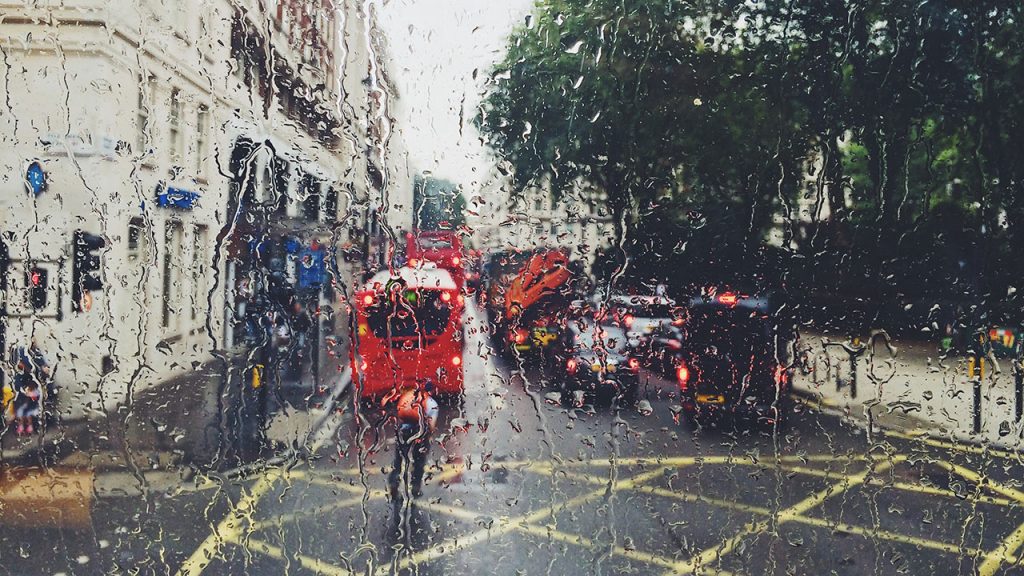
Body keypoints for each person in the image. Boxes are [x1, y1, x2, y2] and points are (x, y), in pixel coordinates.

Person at [387, 379, 439, 500]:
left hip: (404, 431)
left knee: (399, 460)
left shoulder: (408, 397)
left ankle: (394, 483)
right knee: (418, 461)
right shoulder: (431, 403)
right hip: (420, 434)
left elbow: (400, 413)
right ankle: (415, 488)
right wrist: (428, 436)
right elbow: (431, 424)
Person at [12, 360, 41, 436]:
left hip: (29, 397)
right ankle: (22, 426)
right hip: (22, 397)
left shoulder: (29, 374)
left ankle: (28, 427)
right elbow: (17, 386)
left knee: (27, 413)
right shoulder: (17, 376)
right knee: (21, 411)